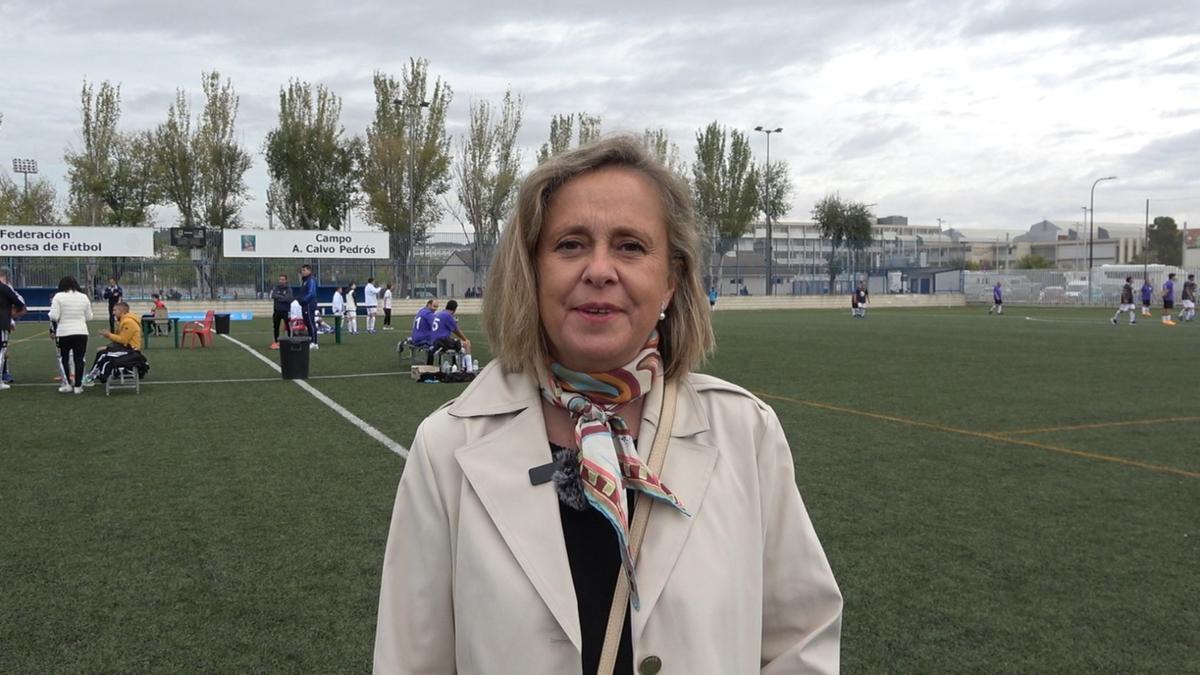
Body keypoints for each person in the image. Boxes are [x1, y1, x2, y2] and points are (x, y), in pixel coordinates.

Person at [374, 136, 842, 674]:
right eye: (571, 244)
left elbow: (802, 640)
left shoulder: (747, 434)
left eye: (630, 246)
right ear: (533, 271)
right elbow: (411, 661)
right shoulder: (447, 446)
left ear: (670, 280)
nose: (599, 269)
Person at [82, 301, 145, 385]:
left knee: (103, 354)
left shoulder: (128, 322)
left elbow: (123, 340)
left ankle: (90, 378)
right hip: (126, 348)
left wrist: (109, 336)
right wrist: (109, 342)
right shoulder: (124, 320)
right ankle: (95, 375)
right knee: (102, 352)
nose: (113, 313)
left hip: (131, 351)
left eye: (115, 310)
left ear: (122, 311)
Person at [48, 276, 93, 394]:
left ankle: (68, 384)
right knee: (79, 359)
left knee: (64, 358)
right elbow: (89, 317)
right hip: (81, 332)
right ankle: (78, 386)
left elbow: (54, 316)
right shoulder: (84, 297)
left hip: (64, 332)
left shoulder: (58, 297)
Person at [0, 268, 27, 392]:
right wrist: (11, 316)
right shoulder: (5, 288)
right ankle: (2, 377)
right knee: (2, 351)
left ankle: (4, 374)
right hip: (2, 323)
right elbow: (19, 303)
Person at [269, 274, 294, 349]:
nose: (281, 281)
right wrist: (282, 297)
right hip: (277, 311)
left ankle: (290, 340)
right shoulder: (276, 287)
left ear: (286, 280)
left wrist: (279, 298)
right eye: (280, 279)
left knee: (288, 326)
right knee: (276, 326)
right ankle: (276, 342)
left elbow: (289, 299)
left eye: (283, 279)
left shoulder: (289, 289)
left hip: (285, 311)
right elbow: (273, 295)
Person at [299, 264, 319, 349]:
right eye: (302, 270)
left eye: (304, 270)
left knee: (310, 322)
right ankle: (311, 340)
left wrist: (304, 300)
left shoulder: (311, 280)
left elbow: (311, 293)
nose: (302, 272)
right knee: (307, 322)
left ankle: (314, 342)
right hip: (305, 304)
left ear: (309, 271)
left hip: (309, 304)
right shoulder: (304, 281)